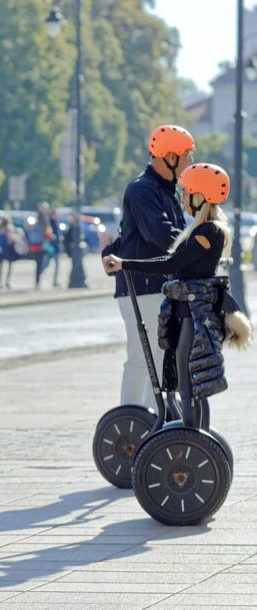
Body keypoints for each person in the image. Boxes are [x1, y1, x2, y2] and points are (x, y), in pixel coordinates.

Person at [103, 163, 251, 427]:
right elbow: (170, 259)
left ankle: (193, 440)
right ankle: (193, 437)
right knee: (187, 381)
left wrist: (126, 264)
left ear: (200, 197)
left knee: (189, 384)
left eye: (187, 192)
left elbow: (169, 265)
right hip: (187, 313)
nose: (182, 197)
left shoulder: (209, 232)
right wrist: (126, 260)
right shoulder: (203, 230)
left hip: (193, 316)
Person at [105, 125, 194, 413]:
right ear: (169, 156)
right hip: (140, 288)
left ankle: (150, 422)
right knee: (142, 360)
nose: (190, 162)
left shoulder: (166, 191)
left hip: (156, 287)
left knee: (158, 359)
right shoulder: (142, 189)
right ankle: (131, 425)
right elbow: (162, 234)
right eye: (187, 156)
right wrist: (197, 247)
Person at [26, 202, 54, 289]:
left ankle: (38, 281)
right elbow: (48, 232)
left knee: (39, 264)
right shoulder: (44, 220)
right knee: (42, 263)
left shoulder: (34, 219)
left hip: (35, 246)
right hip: (41, 245)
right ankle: (38, 280)